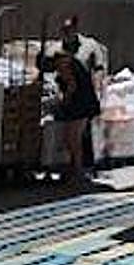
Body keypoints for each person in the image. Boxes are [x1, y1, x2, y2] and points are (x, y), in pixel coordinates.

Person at [54, 52, 102, 186]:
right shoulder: (76, 65)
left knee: (73, 138)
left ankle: (77, 171)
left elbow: (71, 86)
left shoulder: (67, 67)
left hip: (79, 107)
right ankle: (74, 169)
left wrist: (64, 102)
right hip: (84, 106)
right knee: (72, 138)